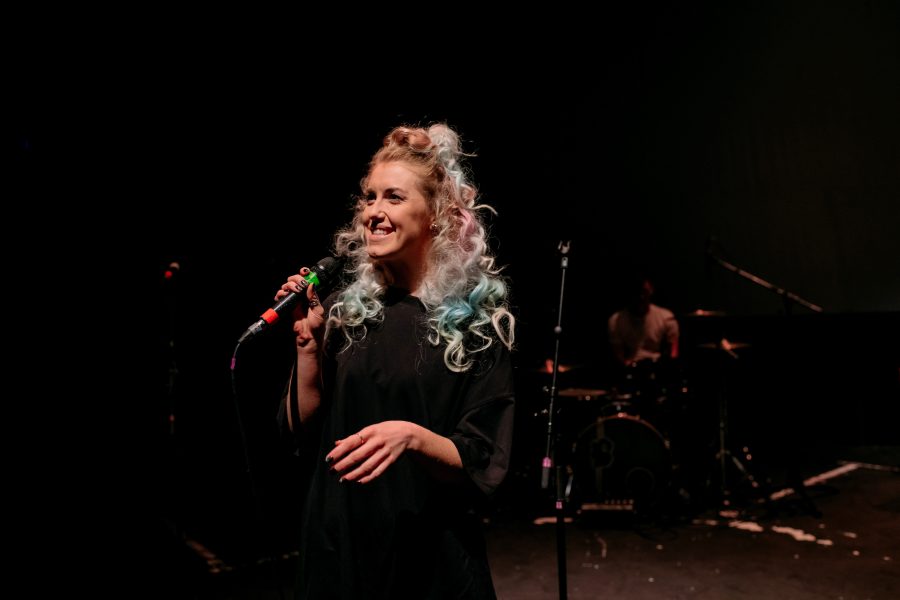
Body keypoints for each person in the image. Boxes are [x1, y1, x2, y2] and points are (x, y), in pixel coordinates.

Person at [275, 123, 516, 599]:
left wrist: (412, 437)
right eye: (368, 198)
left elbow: (483, 459)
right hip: (340, 547)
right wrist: (308, 349)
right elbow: (301, 431)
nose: (374, 213)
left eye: (393, 197)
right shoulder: (349, 316)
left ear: (437, 216)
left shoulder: (475, 326)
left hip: (427, 558)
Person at [607, 274, 679, 367]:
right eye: (637, 292)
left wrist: (668, 368)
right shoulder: (616, 320)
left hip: (658, 368)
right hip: (629, 369)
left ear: (651, 291)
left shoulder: (666, 317)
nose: (641, 296)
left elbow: (674, 351)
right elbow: (617, 353)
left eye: (644, 291)